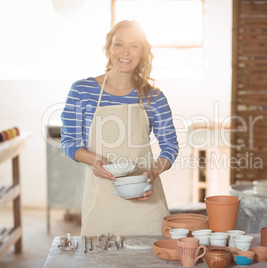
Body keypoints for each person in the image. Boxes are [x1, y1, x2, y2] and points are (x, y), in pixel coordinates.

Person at [60, 20, 179, 236]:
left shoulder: (154, 97)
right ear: (108, 48)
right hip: (101, 203)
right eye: (119, 44)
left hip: (145, 196)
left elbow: (170, 147)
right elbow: (69, 142)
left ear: (142, 52)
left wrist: (153, 172)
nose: (126, 52)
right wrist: (93, 160)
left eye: (134, 45)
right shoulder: (82, 90)